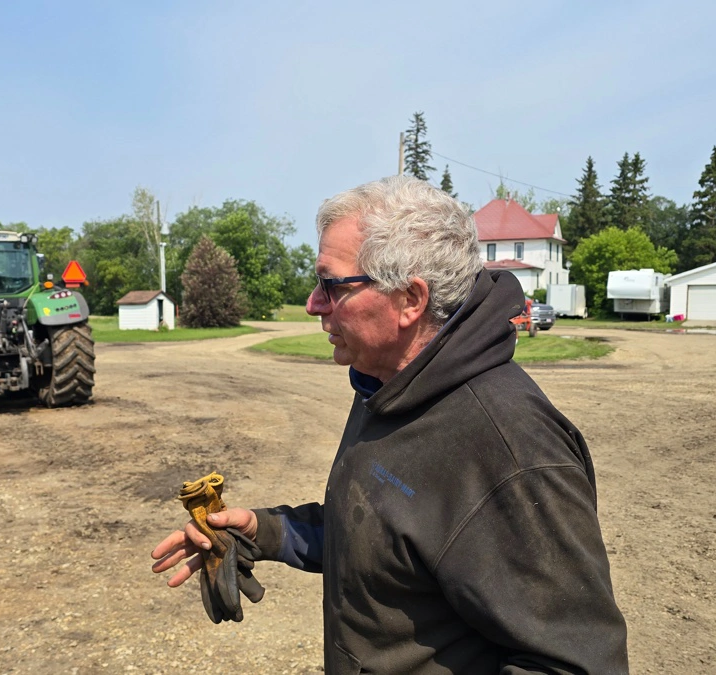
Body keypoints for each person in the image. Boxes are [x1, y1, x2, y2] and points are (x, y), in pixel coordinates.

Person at [151, 176, 628, 674]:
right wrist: (266, 531)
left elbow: (575, 664)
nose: (314, 304)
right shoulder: (389, 383)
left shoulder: (510, 446)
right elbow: (387, 532)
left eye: (331, 286)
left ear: (409, 300)